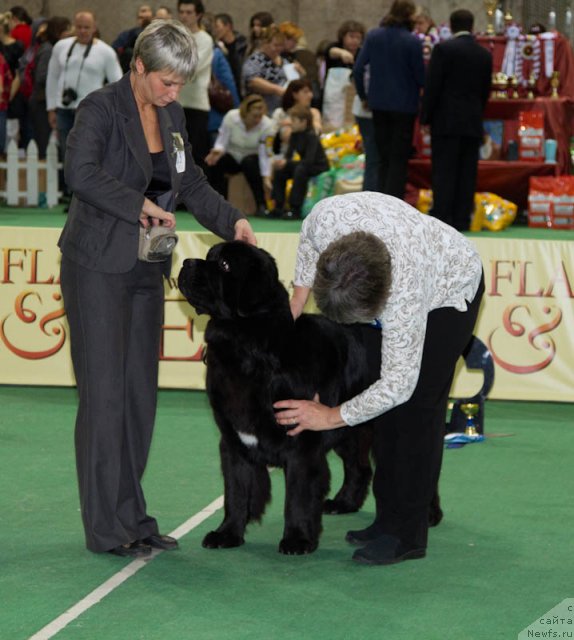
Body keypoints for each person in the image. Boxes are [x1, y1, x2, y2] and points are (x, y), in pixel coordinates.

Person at [58, 19, 256, 558]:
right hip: (97, 265)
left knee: (139, 398)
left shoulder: (170, 115)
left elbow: (189, 180)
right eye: (167, 82)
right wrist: (137, 204)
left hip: (147, 269)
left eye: (180, 84)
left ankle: (133, 517)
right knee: (104, 399)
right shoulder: (100, 109)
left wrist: (230, 221)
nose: (175, 94)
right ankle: (105, 528)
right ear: (138, 68)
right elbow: (80, 171)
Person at [273, 192, 484, 566]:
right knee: (377, 401)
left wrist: (330, 415)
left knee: (415, 409)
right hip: (385, 266)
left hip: (448, 289)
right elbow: (307, 245)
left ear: (380, 298)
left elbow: (398, 384)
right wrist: (296, 302)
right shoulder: (325, 220)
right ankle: (387, 517)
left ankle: (407, 533)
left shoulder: (405, 292)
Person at [420, 9, 492, 231]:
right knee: (467, 172)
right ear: (471, 26)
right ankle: (462, 219)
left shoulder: (443, 50)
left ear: (450, 26)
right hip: (472, 122)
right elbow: (485, 92)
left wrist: (425, 118)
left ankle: (443, 218)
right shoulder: (484, 54)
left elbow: (433, 87)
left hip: (446, 122)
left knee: (444, 170)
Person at [46, 10, 122, 196]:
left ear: (94, 27)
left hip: (91, 112)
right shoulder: (61, 47)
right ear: (74, 26)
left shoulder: (106, 52)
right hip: (64, 109)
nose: (82, 31)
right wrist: (51, 108)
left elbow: (118, 83)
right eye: (79, 27)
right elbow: (52, 77)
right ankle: (72, 194)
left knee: (89, 153)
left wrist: (113, 111)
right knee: (67, 153)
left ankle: (89, 194)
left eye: (86, 27)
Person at [354, 0, 424, 199]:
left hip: (378, 104)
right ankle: (394, 201)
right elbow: (420, 77)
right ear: (409, 15)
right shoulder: (412, 41)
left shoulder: (374, 36)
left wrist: (363, 96)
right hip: (405, 106)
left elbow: (358, 69)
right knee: (399, 158)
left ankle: (380, 200)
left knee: (382, 156)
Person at [204, 93, 274, 217]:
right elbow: (222, 141)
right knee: (216, 162)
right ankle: (218, 204)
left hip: (251, 159)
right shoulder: (231, 117)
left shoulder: (268, 125)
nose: (258, 120)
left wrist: (266, 177)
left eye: (260, 116)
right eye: (254, 116)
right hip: (232, 156)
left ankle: (261, 205)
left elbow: (265, 154)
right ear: (245, 112)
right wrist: (216, 152)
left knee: (250, 163)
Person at [271, 104, 329, 220]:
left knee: (300, 170)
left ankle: (295, 208)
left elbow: (309, 161)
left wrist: (287, 163)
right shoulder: (294, 135)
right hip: (304, 165)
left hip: (318, 166)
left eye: (293, 120)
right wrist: (283, 163)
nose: (290, 123)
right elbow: (289, 156)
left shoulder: (311, 136)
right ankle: (278, 206)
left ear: (303, 122)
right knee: (280, 171)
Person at [28, 16, 71, 159]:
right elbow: (41, 76)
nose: (69, 33)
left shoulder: (54, 48)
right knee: (44, 143)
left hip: (44, 101)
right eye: (66, 30)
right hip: (41, 103)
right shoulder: (48, 50)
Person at [177, 0, 213, 170]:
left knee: (196, 155)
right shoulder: (175, 37)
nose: (184, 16)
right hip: (175, 103)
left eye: (189, 12)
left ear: (198, 15)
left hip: (196, 105)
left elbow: (192, 68)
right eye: (182, 12)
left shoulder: (205, 40)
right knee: (176, 153)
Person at [270, 78, 322, 157]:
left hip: (308, 155)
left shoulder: (313, 112)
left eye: (310, 91)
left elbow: (317, 131)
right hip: (283, 155)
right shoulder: (279, 113)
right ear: (295, 95)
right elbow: (277, 137)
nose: (311, 95)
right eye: (306, 92)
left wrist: (291, 124)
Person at [241, 26, 287, 114]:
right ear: (265, 43)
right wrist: (277, 90)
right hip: (260, 111)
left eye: (281, 45)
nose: (279, 49)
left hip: (281, 111)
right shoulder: (255, 60)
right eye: (276, 45)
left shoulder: (284, 61)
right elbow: (252, 81)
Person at [111, 4, 153, 72]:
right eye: (141, 18)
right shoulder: (127, 34)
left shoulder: (158, 36)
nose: (143, 22)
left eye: (147, 20)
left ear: (153, 18)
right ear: (137, 19)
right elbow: (113, 50)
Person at [214, 13, 247, 97]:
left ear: (228, 26)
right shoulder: (216, 47)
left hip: (242, 87)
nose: (215, 30)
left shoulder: (243, 44)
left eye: (217, 26)